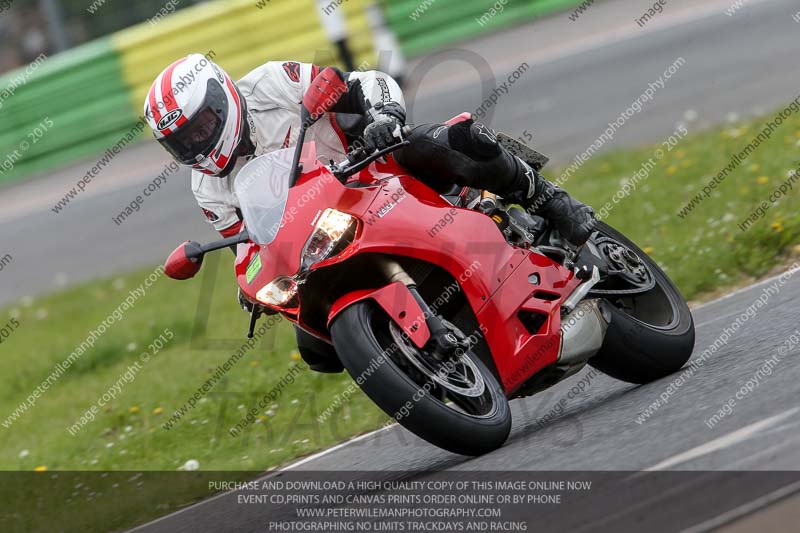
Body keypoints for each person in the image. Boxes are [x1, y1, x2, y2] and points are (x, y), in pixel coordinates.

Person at [145, 54, 596, 372]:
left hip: (371, 172)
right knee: (316, 349)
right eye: (183, 141)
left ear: (222, 97)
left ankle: (548, 199)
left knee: (448, 140)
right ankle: (415, 363)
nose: (197, 143)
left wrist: (384, 115)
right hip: (319, 244)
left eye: (201, 126)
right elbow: (249, 245)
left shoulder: (269, 84)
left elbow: (360, 81)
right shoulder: (207, 186)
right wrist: (249, 284)